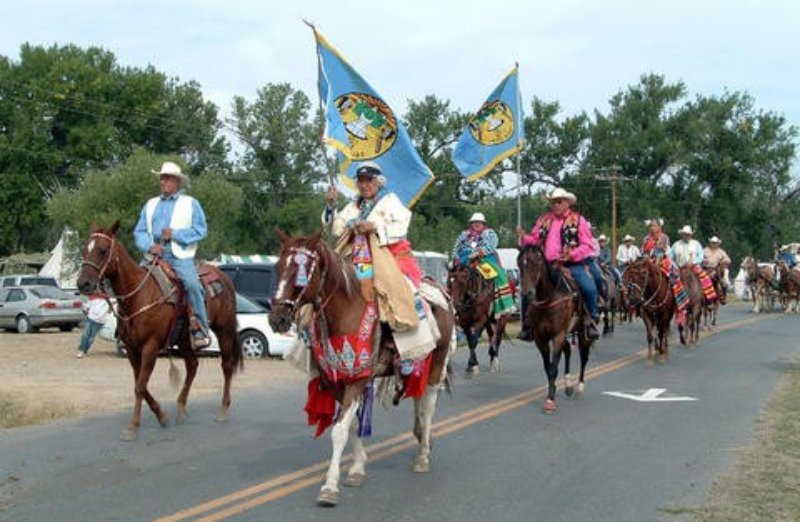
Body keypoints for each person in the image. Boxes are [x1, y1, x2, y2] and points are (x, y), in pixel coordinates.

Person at [134, 161, 211, 350]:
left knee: (193, 285)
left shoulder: (191, 203)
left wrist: (175, 234)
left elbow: (200, 230)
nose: (163, 181)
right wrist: (150, 246)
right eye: (162, 178)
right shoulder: (150, 204)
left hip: (179, 256)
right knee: (133, 283)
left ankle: (200, 328)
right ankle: (126, 326)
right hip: (153, 256)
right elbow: (140, 231)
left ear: (177, 182)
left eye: (167, 178)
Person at [516, 187, 600, 341]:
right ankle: (527, 325)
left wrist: (571, 255)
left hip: (571, 263)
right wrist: (524, 236)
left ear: (567, 203)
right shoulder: (544, 219)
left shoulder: (578, 220)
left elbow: (588, 245)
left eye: (559, 202)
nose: (555, 205)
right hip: (547, 265)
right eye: (553, 202)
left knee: (588, 287)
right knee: (528, 288)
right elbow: (535, 239)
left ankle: (590, 321)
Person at [451, 212, 515, 317]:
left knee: (496, 275)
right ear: (471, 223)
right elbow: (455, 248)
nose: (476, 224)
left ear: (483, 223)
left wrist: (478, 253)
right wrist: (456, 258)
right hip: (464, 259)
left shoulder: (490, 233)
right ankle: (452, 301)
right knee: (453, 277)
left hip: (483, 259)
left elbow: (492, 246)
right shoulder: (464, 235)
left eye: (479, 222)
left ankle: (498, 300)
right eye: (474, 222)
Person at [671, 225, 717, 302]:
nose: (686, 236)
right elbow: (670, 258)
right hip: (679, 268)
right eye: (684, 234)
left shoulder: (696, 244)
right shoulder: (676, 245)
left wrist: (693, 262)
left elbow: (701, 256)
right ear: (682, 235)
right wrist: (675, 266)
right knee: (670, 279)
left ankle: (709, 299)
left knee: (704, 277)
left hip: (693, 266)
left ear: (691, 235)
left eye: (688, 234)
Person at [76, 291, 110, 358]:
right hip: (91, 318)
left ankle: (84, 350)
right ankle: (82, 350)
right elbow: (86, 306)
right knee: (85, 335)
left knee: (91, 337)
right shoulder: (92, 297)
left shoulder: (108, 298)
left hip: (100, 321)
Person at [703, 236, 732, 304]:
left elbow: (728, 260)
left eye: (715, 243)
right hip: (706, 268)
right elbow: (699, 257)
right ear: (710, 243)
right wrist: (704, 260)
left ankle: (723, 297)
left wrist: (723, 261)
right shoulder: (704, 250)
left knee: (725, 282)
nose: (714, 244)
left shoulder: (721, 251)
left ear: (718, 244)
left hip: (717, 269)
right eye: (712, 243)